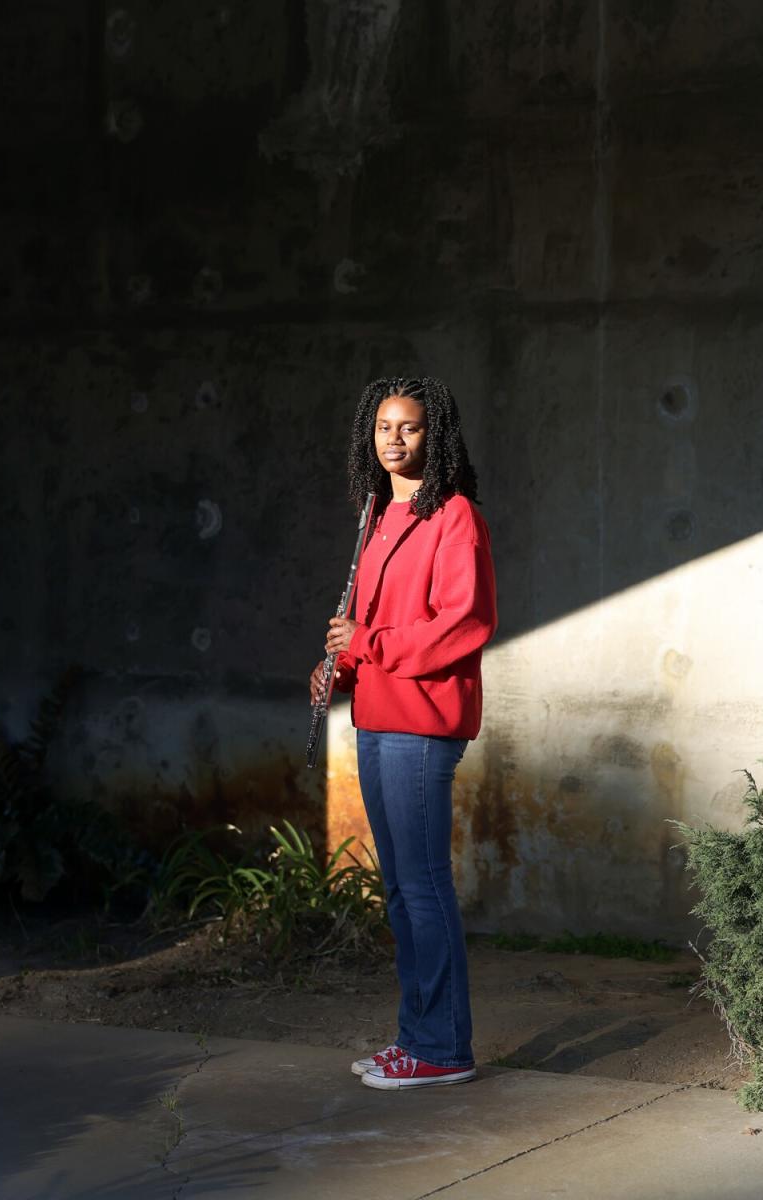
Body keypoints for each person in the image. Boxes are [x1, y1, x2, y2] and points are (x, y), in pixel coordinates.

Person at [309, 375, 498, 1090]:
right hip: (377, 716)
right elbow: (364, 630)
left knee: (422, 886)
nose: (393, 437)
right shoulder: (376, 515)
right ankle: (416, 1037)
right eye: (384, 425)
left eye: (409, 426)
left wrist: (369, 644)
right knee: (397, 887)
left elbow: (463, 624)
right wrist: (338, 664)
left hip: (423, 724)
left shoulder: (454, 517)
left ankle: (443, 1048)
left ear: (434, 435)